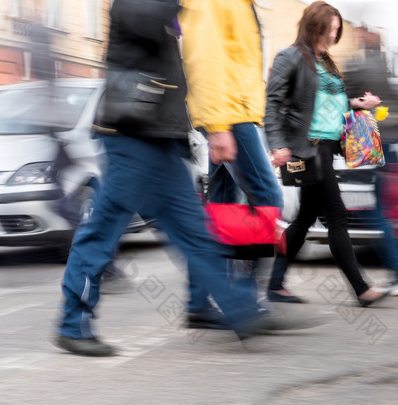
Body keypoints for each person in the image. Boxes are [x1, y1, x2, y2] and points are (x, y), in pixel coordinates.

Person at [53, 0, 287, 357]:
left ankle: (242, 310)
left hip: (159, 138)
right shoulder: (135, 4)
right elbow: (149, 18)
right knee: (104, 228)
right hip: (130, 137)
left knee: (195, 230)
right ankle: (72, 324)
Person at [264, 1, 388, 307]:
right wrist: (277, 143)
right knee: (336, 216)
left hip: (329, 147)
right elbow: (273, 103)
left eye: (337, 30)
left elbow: (329, 102)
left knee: (305, 218)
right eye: (330, 29)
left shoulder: (326, 62)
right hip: (309, 148)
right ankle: (361, 289)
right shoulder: (290, 57)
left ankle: (274, 285)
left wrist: (358, 103)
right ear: (314, 26)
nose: (334, 35)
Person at [179, 0, 284, 328]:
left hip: (235, 114)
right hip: (229, 116)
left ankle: (199, 302)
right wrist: (218, 125)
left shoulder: (243, 5)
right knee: (268, 198)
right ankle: (243, 303)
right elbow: (202, 57)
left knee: (219, 212)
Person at [343, 27, 398, 296]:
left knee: (375, 212)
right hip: (382, 143)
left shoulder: (363, 68)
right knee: (379, 212)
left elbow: (351, 100)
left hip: (374, 144)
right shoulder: (374, 64)